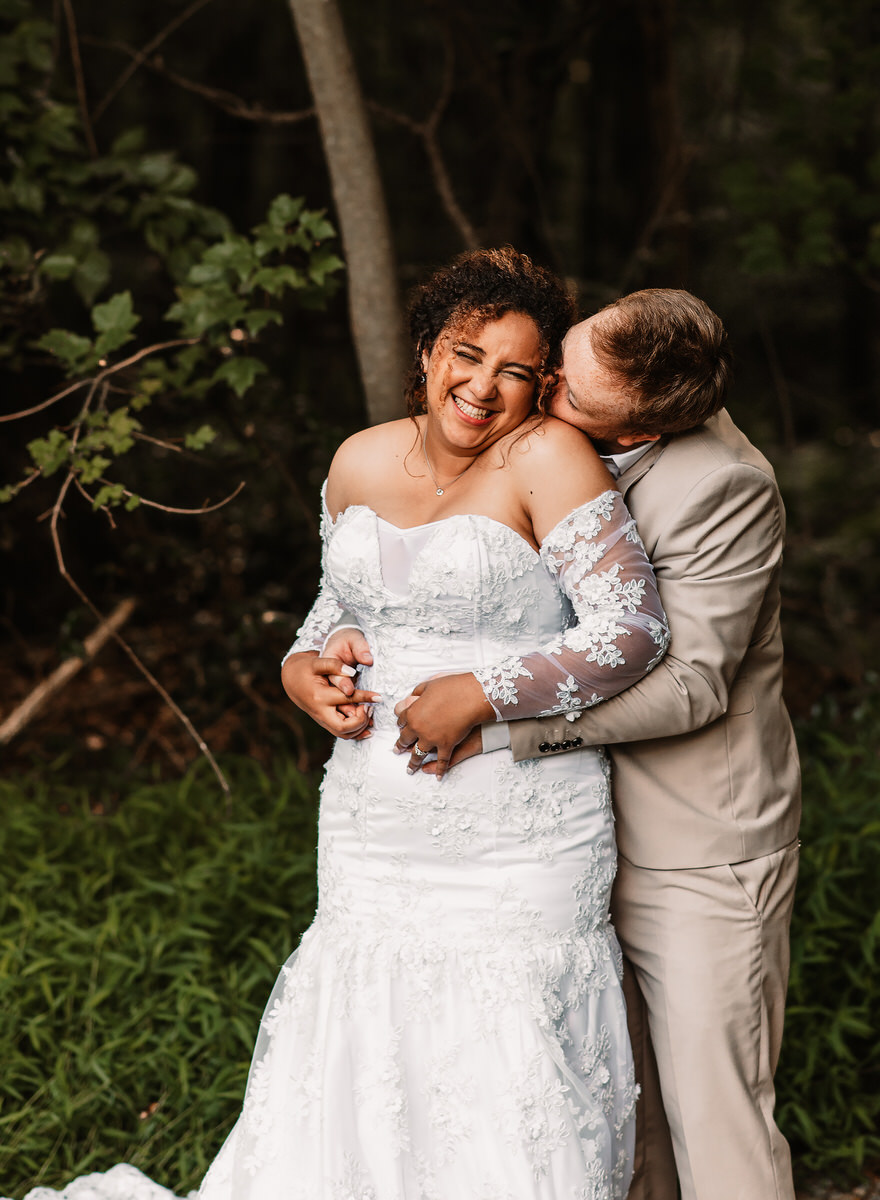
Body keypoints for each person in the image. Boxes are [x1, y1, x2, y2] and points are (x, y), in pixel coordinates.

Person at [355, 289, 799, 1200]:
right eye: (563, 355)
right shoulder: (543, 429)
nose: (541, 383)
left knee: (715, 1120)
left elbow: (694, 684)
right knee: (605, 1118)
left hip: (695, 850)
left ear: (641, 428)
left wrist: (504, 724)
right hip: (555, 843)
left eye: (565, 392)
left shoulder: (726, 486)